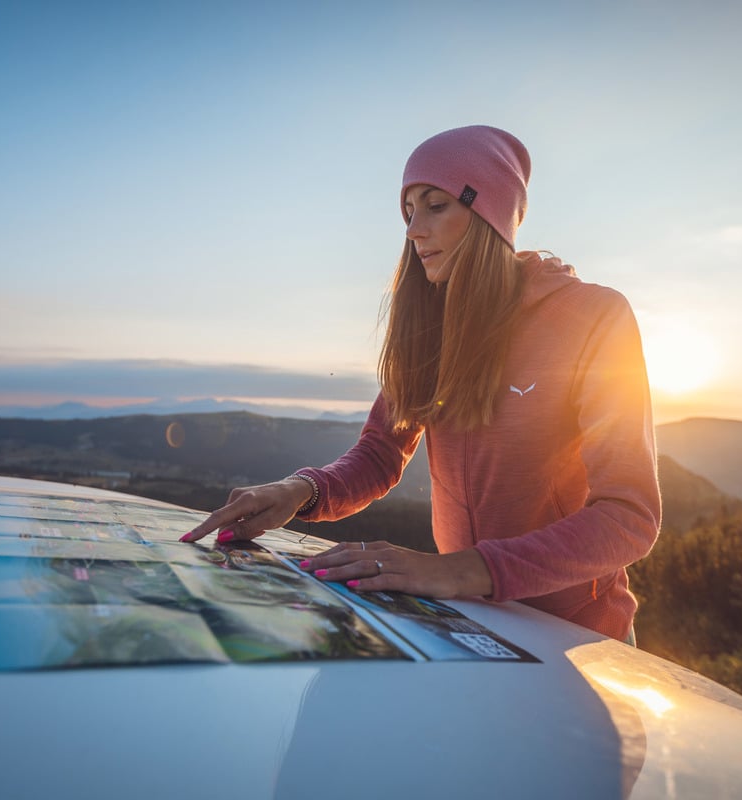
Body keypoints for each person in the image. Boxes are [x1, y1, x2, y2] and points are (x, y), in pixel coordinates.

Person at [182, 125, 660, 642]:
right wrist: (302, 490)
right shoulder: (432, 324)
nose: (413, 230)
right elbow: (382, 453)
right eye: (409, 212)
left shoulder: (592, 316)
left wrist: (461, 569)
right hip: (470, 621)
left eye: (436, 206)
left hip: (579, 635)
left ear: (486, 214)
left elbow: (628, 516)